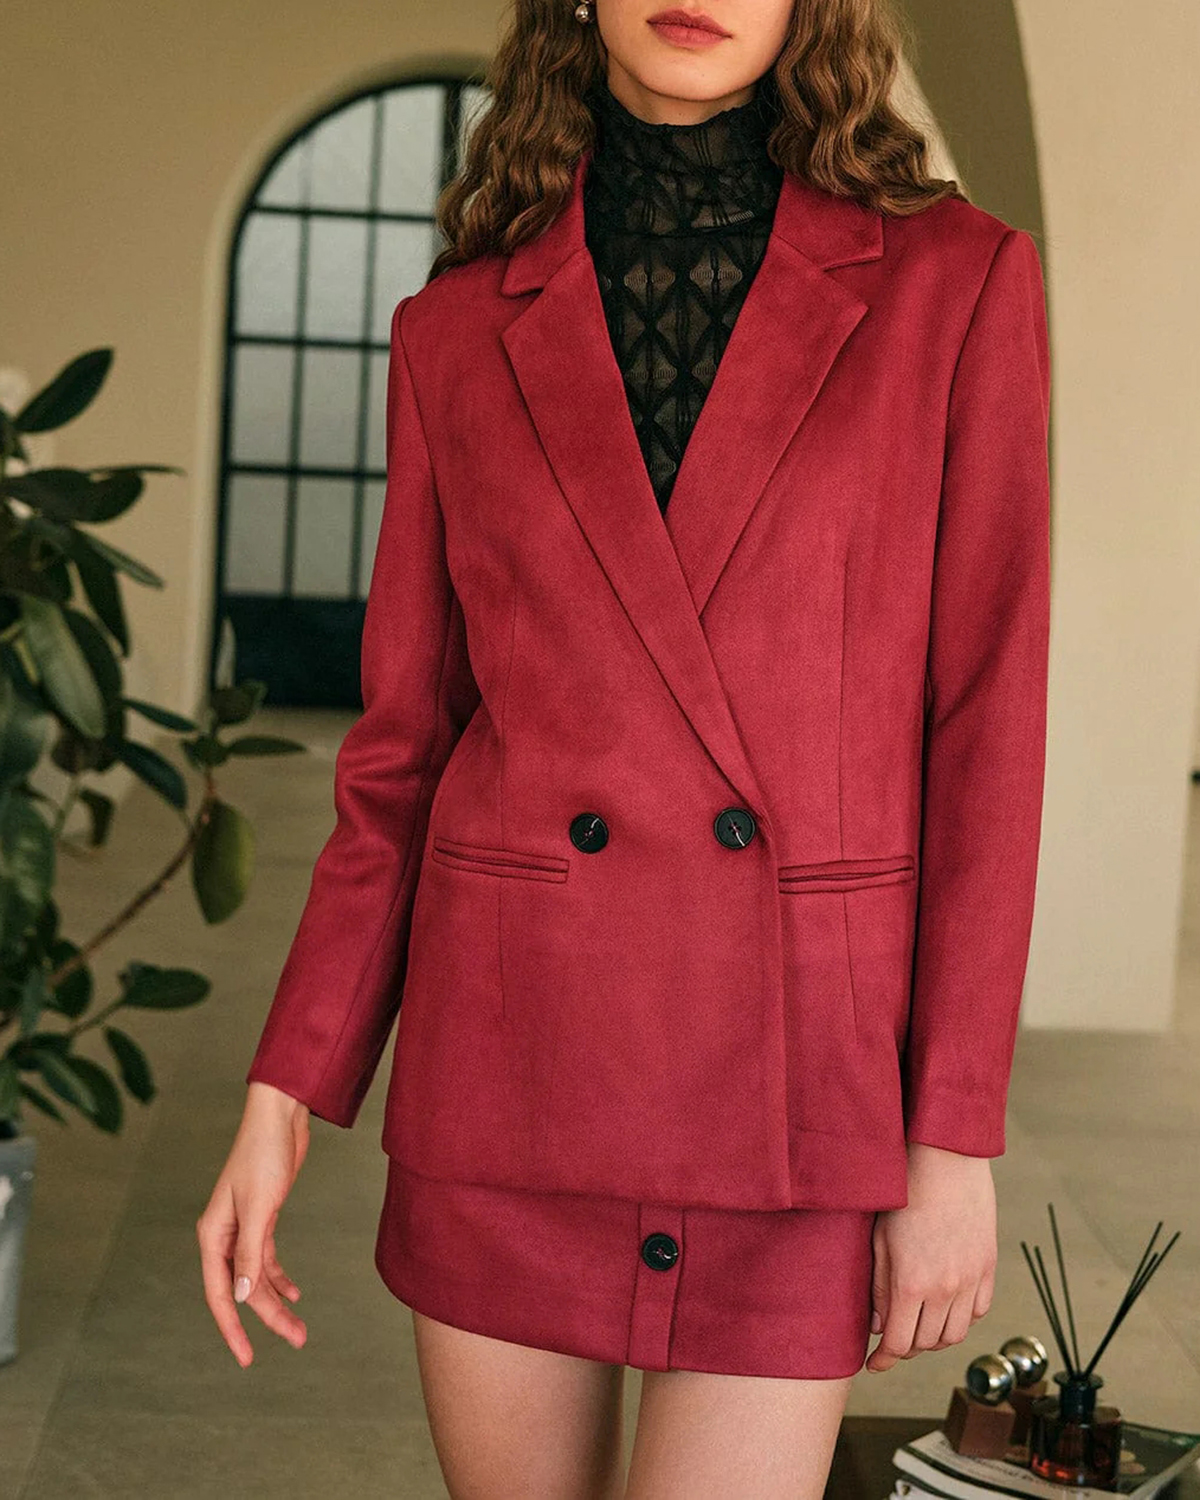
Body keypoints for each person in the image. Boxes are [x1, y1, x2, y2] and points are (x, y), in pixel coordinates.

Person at [198, 0, 1051, 1494]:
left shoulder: (954, 284)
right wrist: (284, 1092)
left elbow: (987, 737)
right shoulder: (458, 325)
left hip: (801, 1092)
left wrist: (952, 1136)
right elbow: (403, 757)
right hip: (513, 1070)